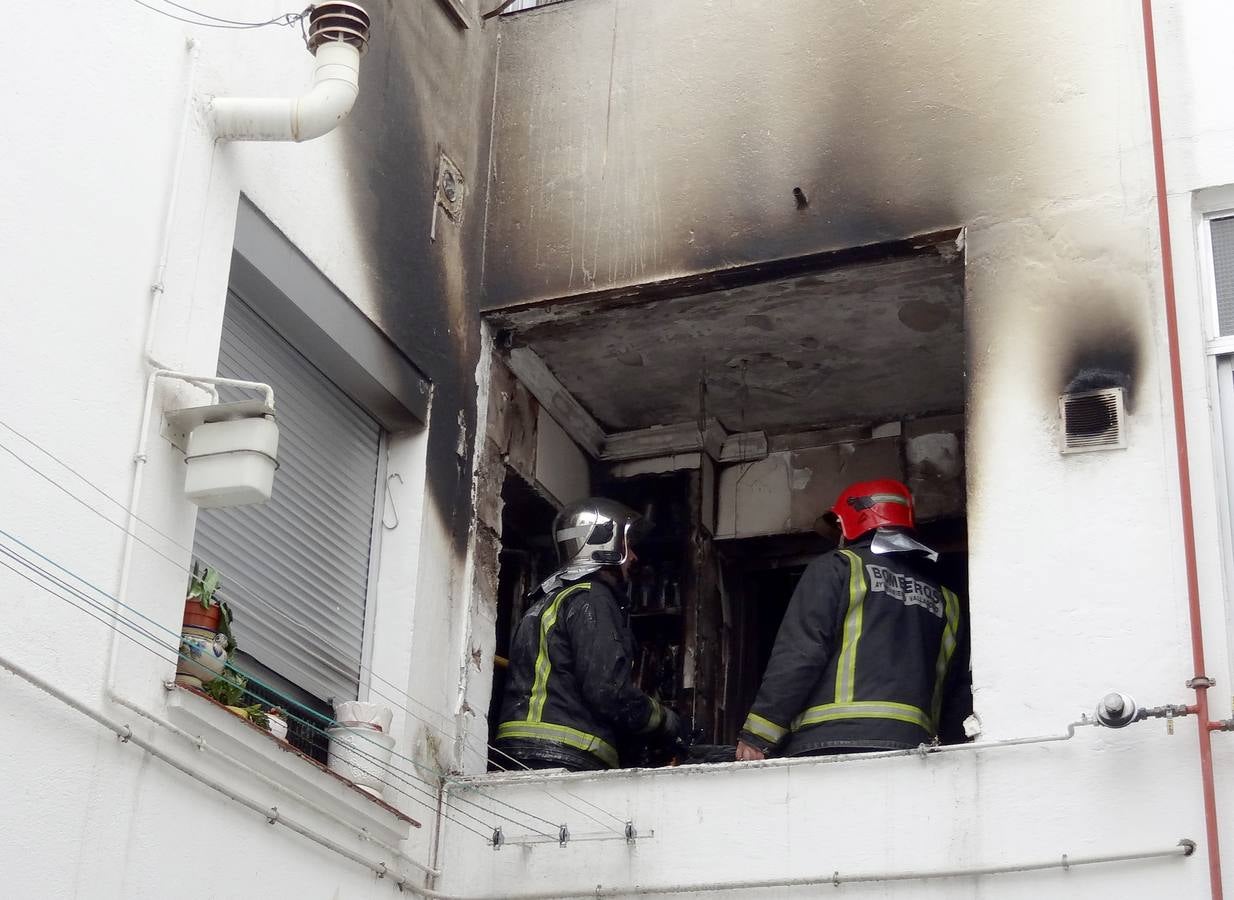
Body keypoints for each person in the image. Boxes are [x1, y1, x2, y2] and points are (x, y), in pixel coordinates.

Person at [736, 479, 970, 761]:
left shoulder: (838, 568)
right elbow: (956, 692)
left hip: (830, 743)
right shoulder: (947, 600)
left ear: (846, 523)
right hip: (914, 751)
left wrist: (758, 736)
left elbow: (800, 655)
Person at [495, 497, 692, 771]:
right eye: (628, 547)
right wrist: (665, 720)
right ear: (605, 546)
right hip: (564, 755)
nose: (634, 557)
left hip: (517, 755)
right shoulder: (592, 599)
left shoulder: (546, 602)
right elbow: (607, 690)